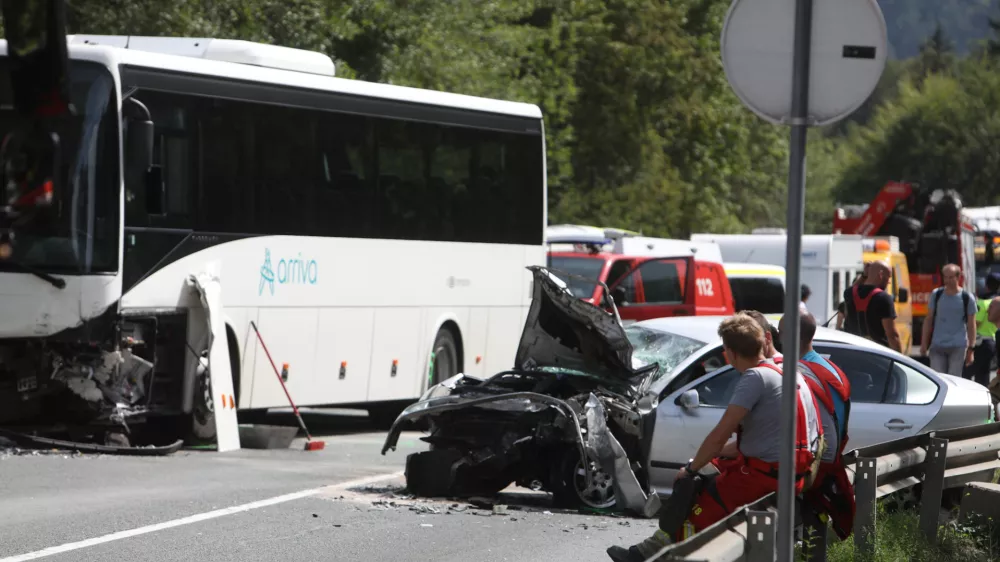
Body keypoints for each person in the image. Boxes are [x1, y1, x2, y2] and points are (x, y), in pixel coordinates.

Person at [606, 313, 824, 562]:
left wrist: (690, 468)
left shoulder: (755, 377)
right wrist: (706, 461)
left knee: (696, 509)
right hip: (787, 474)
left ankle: (653, 555)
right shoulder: (786, 372)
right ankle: (646, 551)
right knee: (702, 478)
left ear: (729, 352)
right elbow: (760, 440)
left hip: (765, 476)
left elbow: (719, 435)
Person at [777, 313, 856, 539]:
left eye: (781, 333)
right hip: (832, 462)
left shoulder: (799, 373)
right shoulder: (829, 367)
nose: (779, 339)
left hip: (816, 468)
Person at [921, 264, 977, 377]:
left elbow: (972, 324)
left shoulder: (967, 297)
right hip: (937, 345)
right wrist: (923, 344)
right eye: (945, 277)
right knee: (938, 379)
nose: (947, 280)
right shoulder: (936, 294)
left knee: (954, 379)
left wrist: (971, 349)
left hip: (958, 345)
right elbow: (929, 319)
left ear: (958, 277)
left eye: (951, 277)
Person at [843, 260, 901, 352]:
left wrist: (864, 275)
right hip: (876, 353)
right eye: (888, 277)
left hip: (852, 350)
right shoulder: (884, 298)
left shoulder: (849, 294)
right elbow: (892, 335)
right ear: (881, 275)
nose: (889, 282)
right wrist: (900, 359)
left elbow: (852, 289)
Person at [969, 273, 1000, 386]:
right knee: (984, 375)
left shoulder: (982, 304)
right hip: (992, 342)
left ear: (986, 285)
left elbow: (975, 324)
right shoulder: (997, 302)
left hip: (980, 344)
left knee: (967, 374)